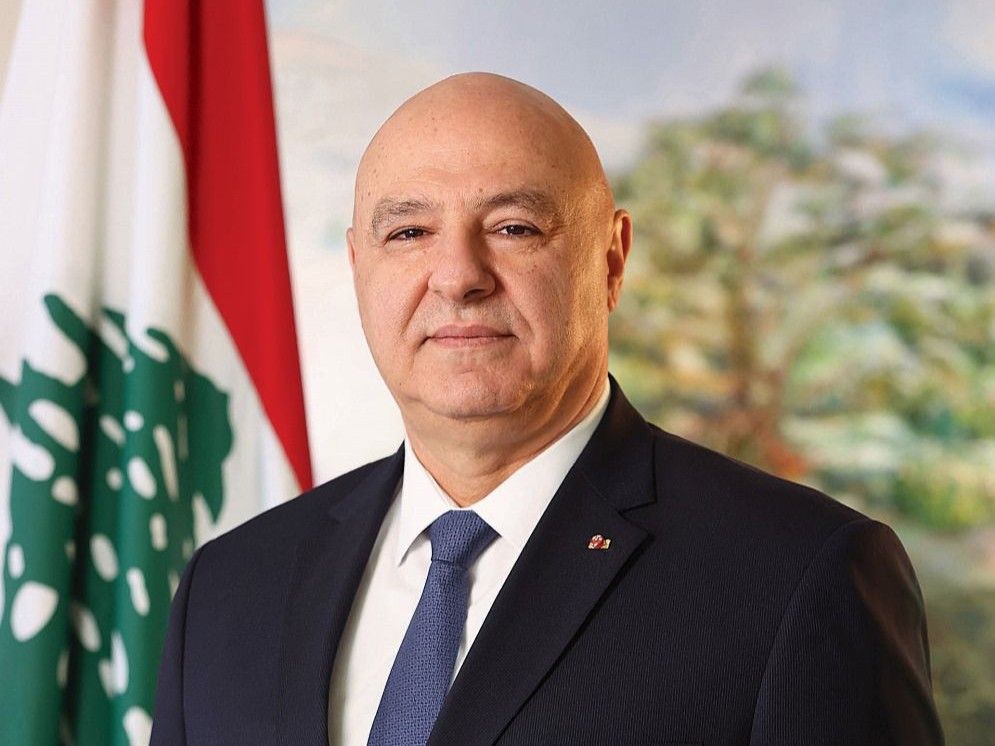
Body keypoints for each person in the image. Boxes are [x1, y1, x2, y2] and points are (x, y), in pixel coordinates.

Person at [150, 73, 944, 745]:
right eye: (410, 231)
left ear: (611, 259)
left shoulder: (797, 576)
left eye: (513, 227)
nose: (457, 275)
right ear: (359, 265)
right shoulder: (231, 586)